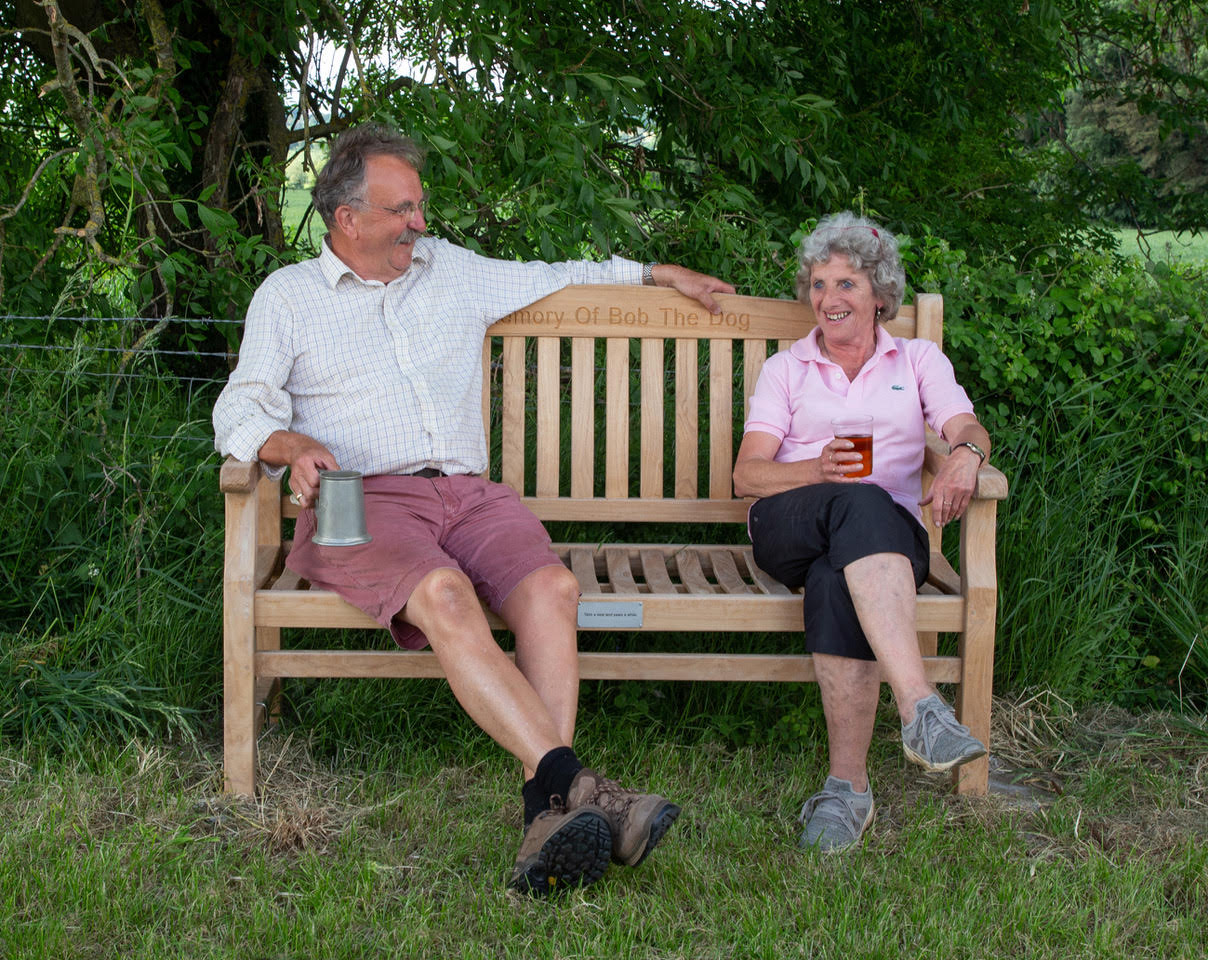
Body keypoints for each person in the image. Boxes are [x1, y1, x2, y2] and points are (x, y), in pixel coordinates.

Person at [213, 122, 735, 895]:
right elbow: (239, 410)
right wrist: (289, 447)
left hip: (472, 494)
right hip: (368, 499)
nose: (419, 224)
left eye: (420, 207)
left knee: (555, 591)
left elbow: (562, 273)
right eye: (402, 211)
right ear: (347, 218)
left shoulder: (448, 271)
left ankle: (549, 816)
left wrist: (659, 274)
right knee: (445, 596)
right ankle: (580, 792)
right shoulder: (288, 298)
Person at [732, 211, 991, 854]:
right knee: (856, 503)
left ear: (879, 292)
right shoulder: (787, 369)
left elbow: (967, 425)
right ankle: (919, 708)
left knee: (838, 573)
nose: (829, 299)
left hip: (880, 538)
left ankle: (847, 790)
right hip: (789, 520)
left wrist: (966, 456)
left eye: (845, 283)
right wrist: (815, 468)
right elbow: (746, 475)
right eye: (819, 284)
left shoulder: (919, 358)